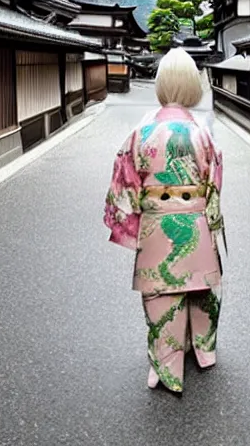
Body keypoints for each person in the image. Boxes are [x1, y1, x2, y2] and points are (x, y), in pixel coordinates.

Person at [104, 48, 225, 393]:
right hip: (196, 222)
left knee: (160, 298)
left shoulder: (140, 134)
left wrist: (132, 226)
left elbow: (123, 183)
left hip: (157, 225)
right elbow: (215, 185)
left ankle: (165, 366)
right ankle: (203, 350)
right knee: (201, 291)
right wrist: (213, 226)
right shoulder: (203, 134)